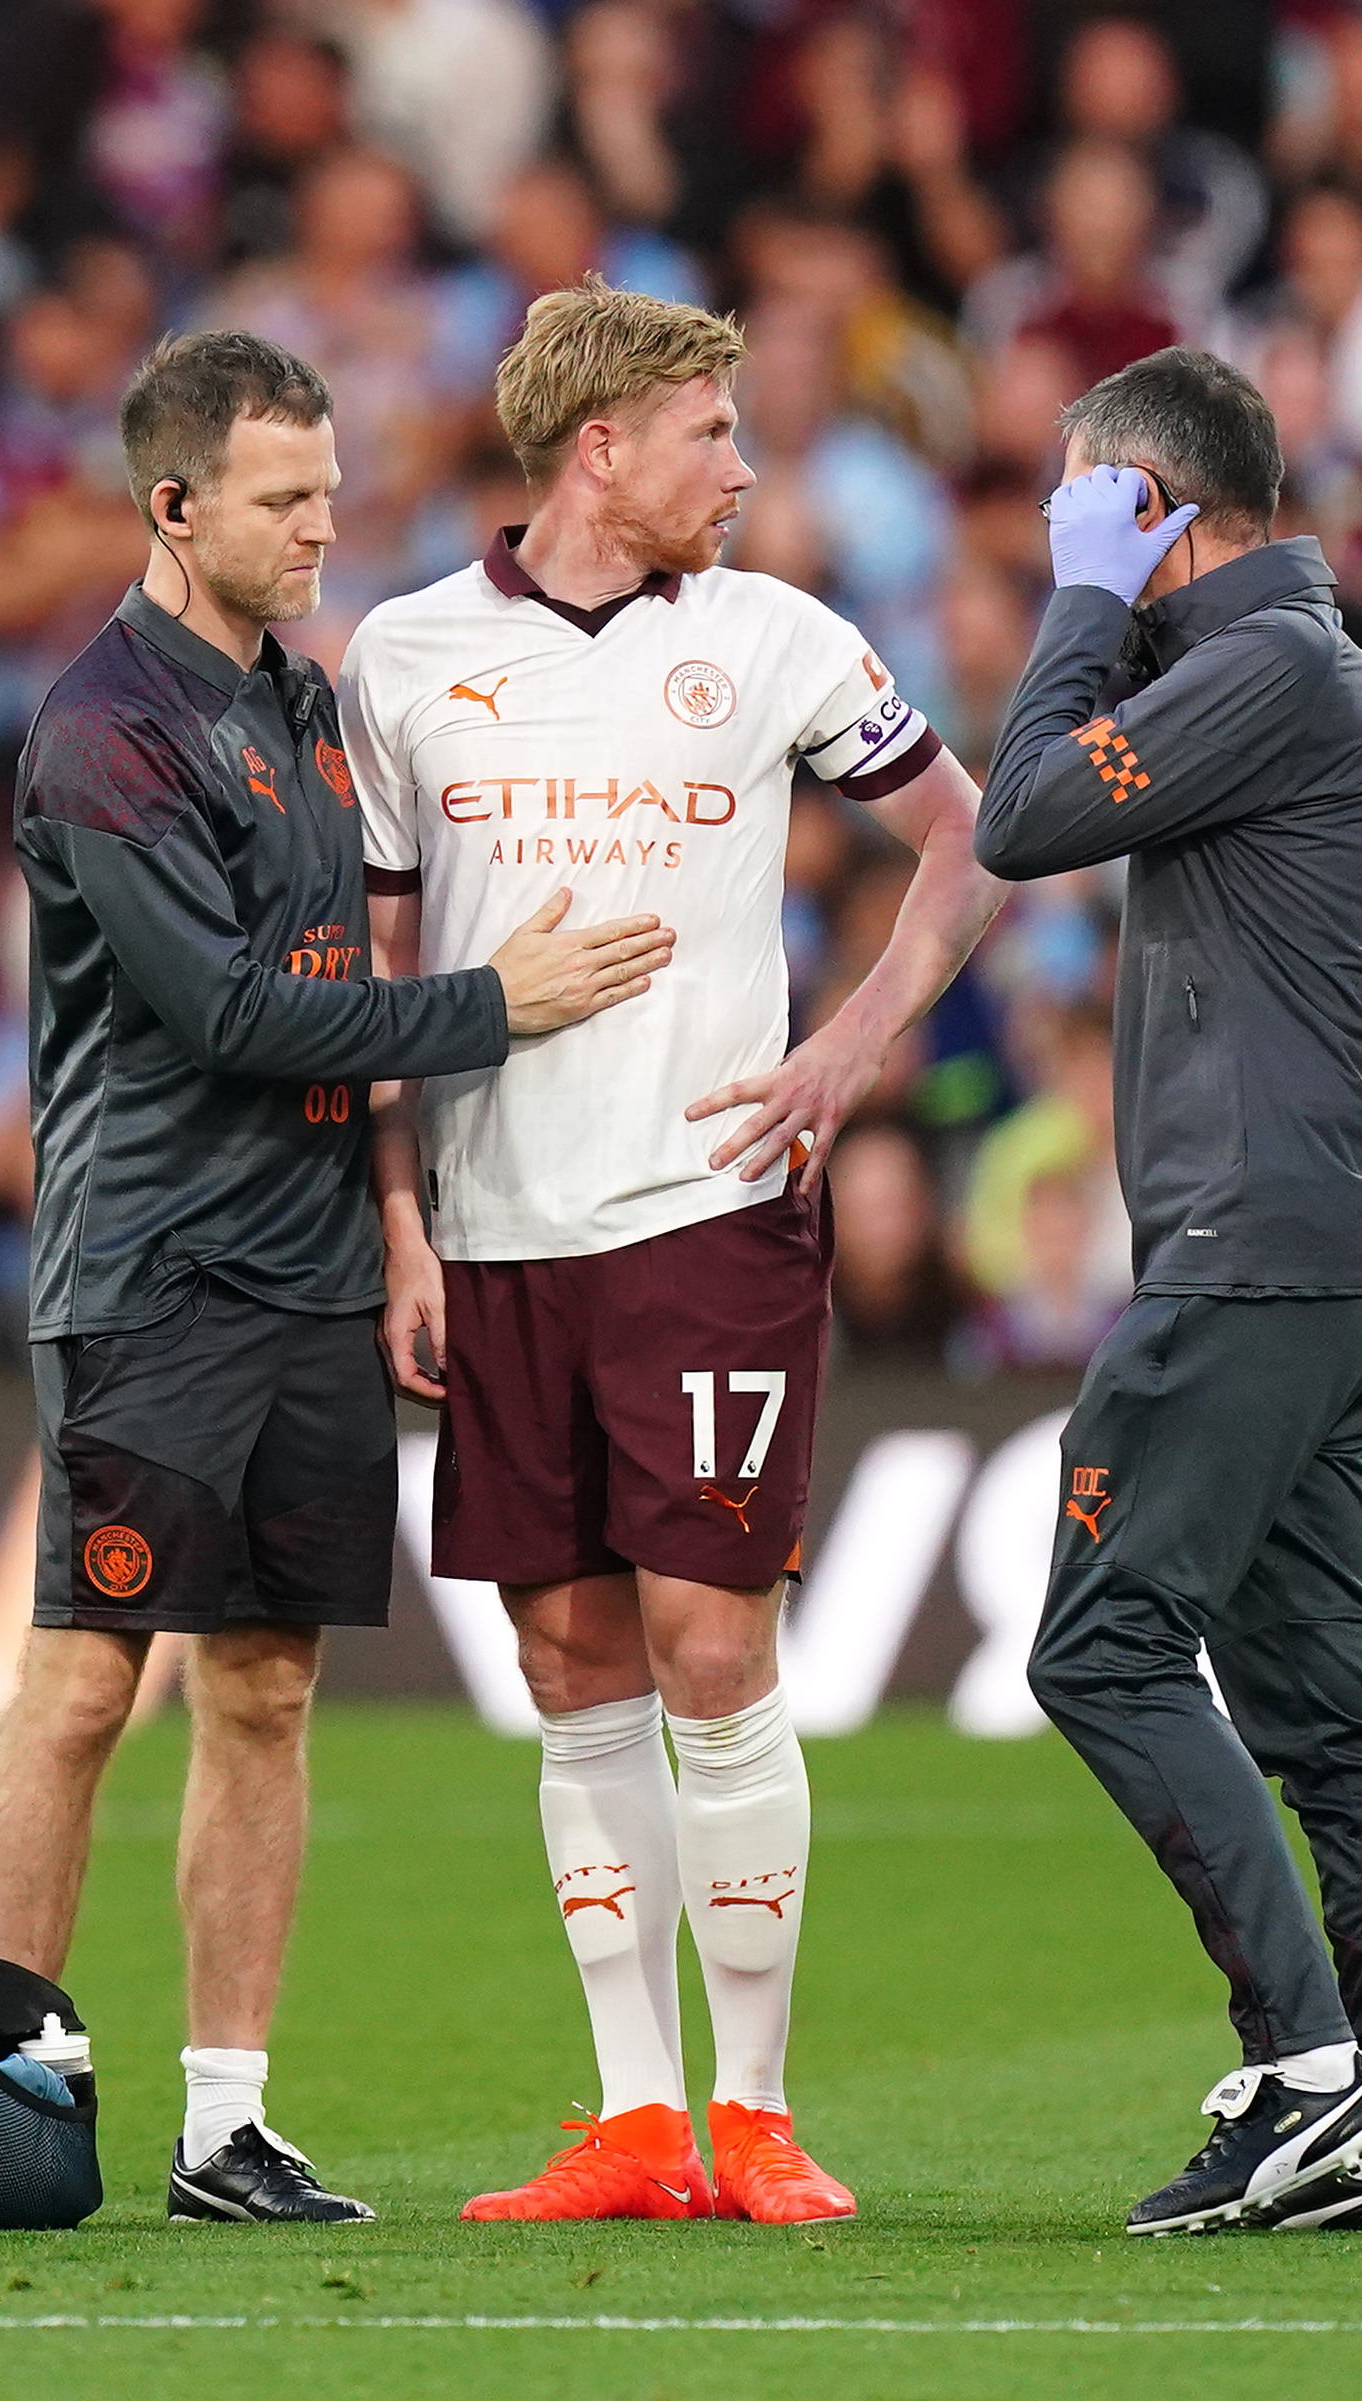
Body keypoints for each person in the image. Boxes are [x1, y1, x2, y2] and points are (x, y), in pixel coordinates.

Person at [0, 328, 672, 2227]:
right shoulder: (102, 725)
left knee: (265, 1688)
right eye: (284, 497)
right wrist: (493, 1007)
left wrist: (387, 1230)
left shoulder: (300, 699)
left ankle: (223, 2121)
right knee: (85, 1678)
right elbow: (220, 1010)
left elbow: (329, 987)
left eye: (330, 486)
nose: (322, 523)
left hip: (296, 1279)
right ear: (173, 505)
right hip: (148, 1265)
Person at [347, 280, 1000, 2226]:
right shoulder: (403, 656)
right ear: (598, 447)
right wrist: (399, 1218)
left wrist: (846, 1046)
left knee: (715, 1640)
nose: (744, 465)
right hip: (489, 1222)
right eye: (709, 433)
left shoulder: (774, 638)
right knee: (569, 1655)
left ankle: (763, 2109)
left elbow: (962, 837)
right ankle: (635, 2120)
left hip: (706, 1211)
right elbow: (380, 969)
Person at [971, 347, 1362, 2239]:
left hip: (1250, 1260)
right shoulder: (1271, 669)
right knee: (1332, 1720)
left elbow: (1019, 817)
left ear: (1152, 505)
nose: (1051, 531)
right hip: (1327, 1258)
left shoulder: (1268, 666)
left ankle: (1314, 2077)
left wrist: (1085, 600)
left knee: (1095, 1648)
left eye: (1082, 499)